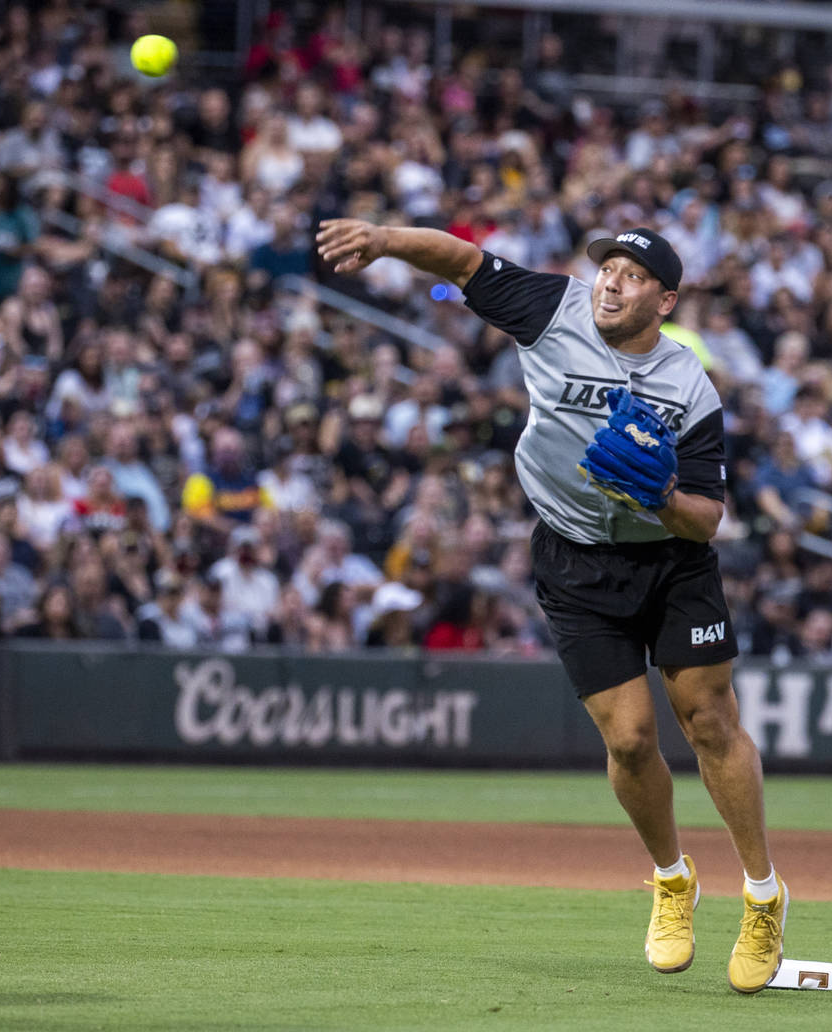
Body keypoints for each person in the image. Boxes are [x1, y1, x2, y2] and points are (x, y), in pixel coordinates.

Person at [317, 218, 786, 993]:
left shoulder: (689, 386)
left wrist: (661, 495)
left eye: (633, 276)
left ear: (664, 300)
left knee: (708, 720)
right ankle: (673, 881)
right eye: (607, 268)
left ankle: (764, 895)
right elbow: (463, 260)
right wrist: (385, 238)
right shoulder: (553, 308)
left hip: (671, 562)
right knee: (632, 740)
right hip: (573, 558)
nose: (610, 280)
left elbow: (709, 516)